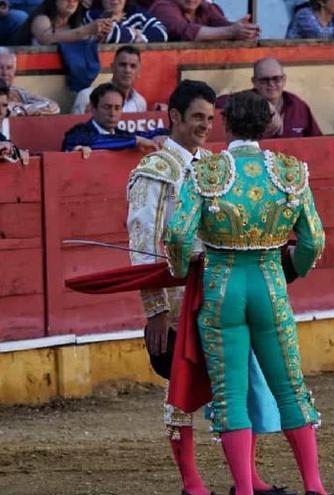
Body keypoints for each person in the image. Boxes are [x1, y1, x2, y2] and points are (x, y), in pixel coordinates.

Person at [127, 80, 291, 495]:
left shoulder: (214, 167)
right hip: (180, 301)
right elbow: (144, 245)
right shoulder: (154, 171)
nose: (205, 125)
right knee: (183, 391)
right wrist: (156, 313)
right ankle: (193, 483)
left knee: (238, 387)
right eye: (197, 117)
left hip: (220, 293)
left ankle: (247, 479)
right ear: (175, 117)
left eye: (209, 118)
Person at [164, 91, 328, 495]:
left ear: (226, 123)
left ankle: (245, 488)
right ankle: (314, 485)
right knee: (289, 387)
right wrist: (293, 270)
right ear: (268, 125)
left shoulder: (207, 172)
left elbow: (179, 235)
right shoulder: (290, 171)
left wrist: (183, 269)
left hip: (222, 288)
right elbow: (313, 240)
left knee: (231, 394)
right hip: (270, 284)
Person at [216, 58, 322, 139]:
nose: (271, 84)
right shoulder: (245, 101)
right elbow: (218, 103)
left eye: (276, 79)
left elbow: (317, 141)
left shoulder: (298, 106)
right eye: (264, 80)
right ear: (254, 82)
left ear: (284, 80)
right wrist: (264, 105)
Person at [62, 82, 163, 154]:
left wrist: (163, 135)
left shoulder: (121, 134)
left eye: (117, 108)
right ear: (93, 108)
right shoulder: (77, 133)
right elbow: (96, 141)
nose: (112, 113)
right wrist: (135, 141)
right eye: (107, 107)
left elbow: (146, 134)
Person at [0, 47, 61, 118]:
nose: (5, 73)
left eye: (9, 68)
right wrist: (28, 110)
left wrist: (20, 109)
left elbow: (53, 106)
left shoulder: (17, 92)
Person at [72, 46, 147, 115]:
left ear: (138, 72)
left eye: (133, 66)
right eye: (122, 65)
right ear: (112, 67)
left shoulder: (140, 103)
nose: (127, 70)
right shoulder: (87, 96)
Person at [146, 0, 259, 41]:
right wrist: (231, 32)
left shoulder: (207, 7)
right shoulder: (162, 6)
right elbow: (184, 31)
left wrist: (245, 30)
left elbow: (223, 25)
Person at [15, 0, 111, 45]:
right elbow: (46, 38)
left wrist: (100, 36)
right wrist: (86, 30)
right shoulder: (41, 18)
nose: (72, 1)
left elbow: (86, 41)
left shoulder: (76, 23)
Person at [84, 0, 168, 43]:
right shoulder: (91, 15)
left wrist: (142, 37)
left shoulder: (136, 14)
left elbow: (162, 31)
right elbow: (110, 34)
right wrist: (134, 33)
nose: (115, 1)